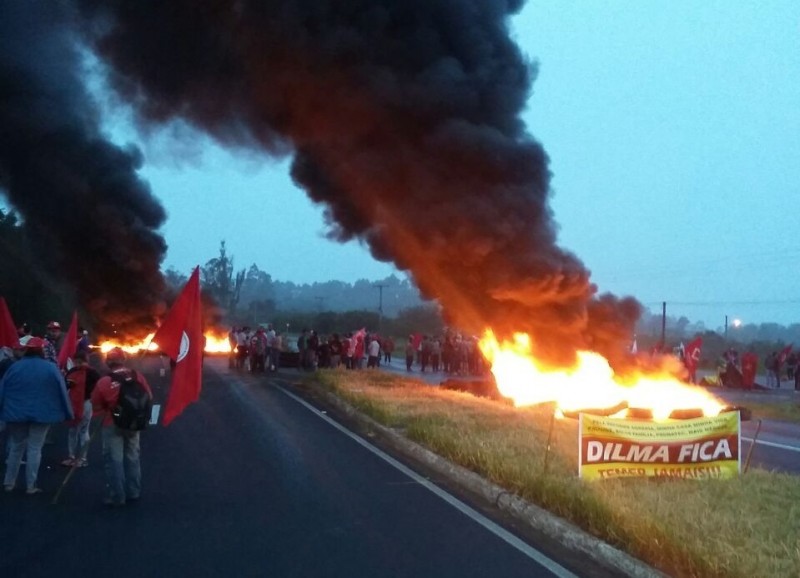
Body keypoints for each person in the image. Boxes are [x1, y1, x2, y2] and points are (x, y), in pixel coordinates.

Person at [1, 336, 73, 494]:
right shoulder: (50, 368)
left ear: (26, 350)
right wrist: (68, 413)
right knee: (35, 449)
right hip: (43, 414)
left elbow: (3, 389)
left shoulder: (15, 367)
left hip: (16, 414)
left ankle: (9, 483)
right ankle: (30, 485)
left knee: (16, 447)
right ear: (42, 351)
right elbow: (61, 391)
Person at [90, 347, 153, 507]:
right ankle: (134, 491)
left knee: (114, 460)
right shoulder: (137, 376)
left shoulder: (104, 381)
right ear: (123, 360)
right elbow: (149, 397)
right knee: (132, 457)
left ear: (108, 362)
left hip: (112, 424)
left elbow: (95, 404)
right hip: (134, 424)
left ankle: (117, 495)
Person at [62, 350, 101, 467]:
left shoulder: (75, 372)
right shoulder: (93, 373)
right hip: (83, 403)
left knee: (77, 430)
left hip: (79, 403)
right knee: (80, 430)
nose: (78, 364)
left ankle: (76, 457)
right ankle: (78, 457)